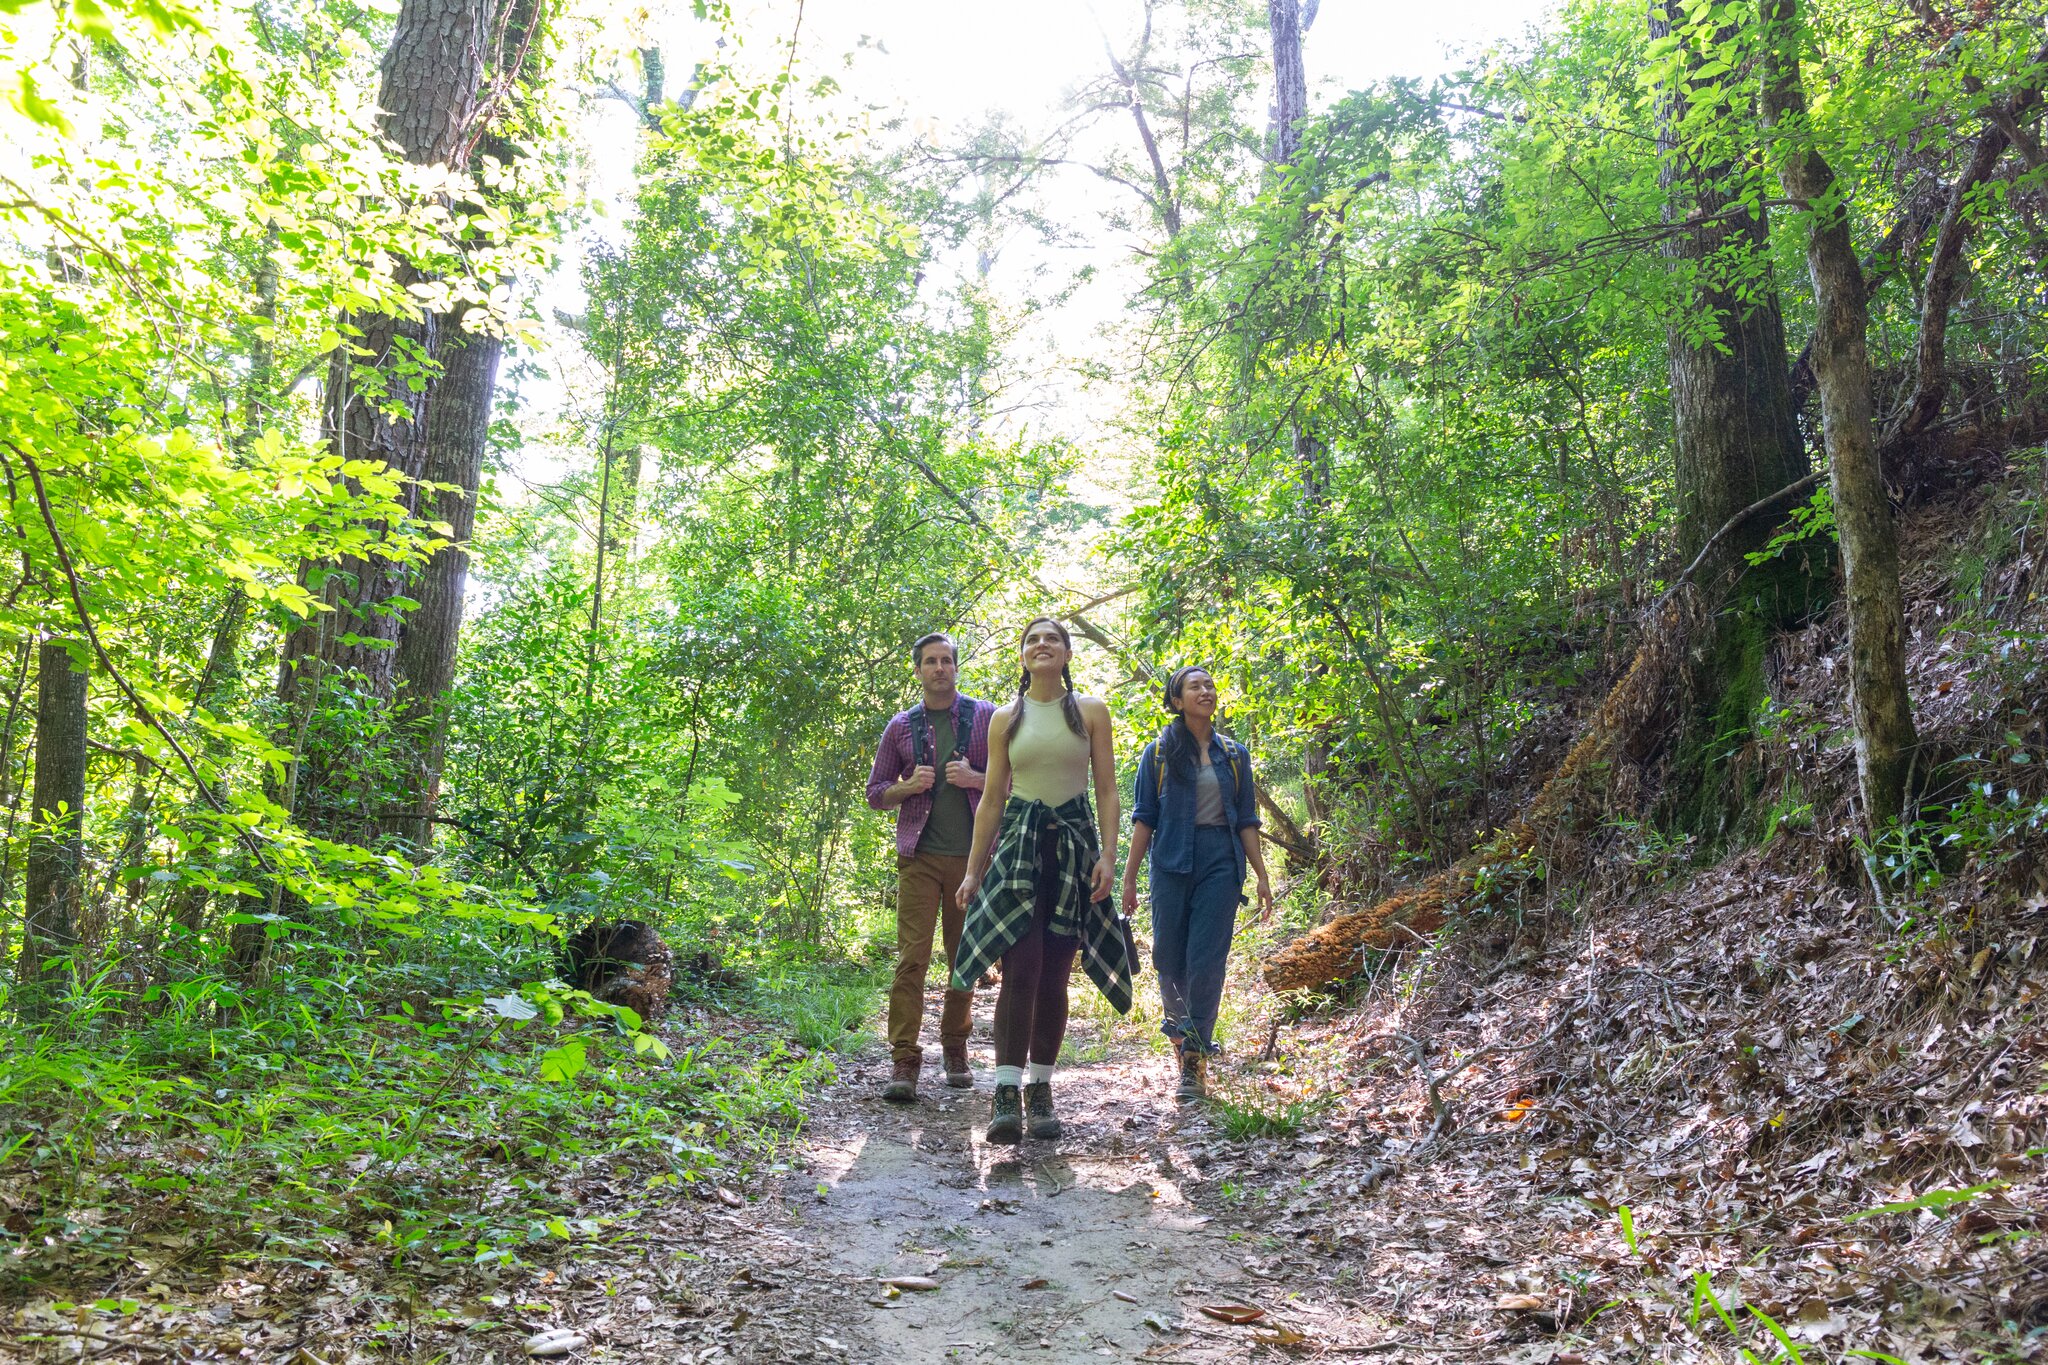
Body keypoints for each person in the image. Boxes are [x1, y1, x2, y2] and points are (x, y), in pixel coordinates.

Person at [952, 618, 1132, 1144]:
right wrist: (971, 869)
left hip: (1074, 852)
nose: (1042, 645)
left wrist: (1108, 856)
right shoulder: (1007, 718)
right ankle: (1005, 1093)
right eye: (1032, 639)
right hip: (1019, 852)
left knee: (1056, 970)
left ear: (1068, 652)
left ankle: (1042, 1090)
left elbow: (1106, 791)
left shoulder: (1092, 713)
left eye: (1052, 638)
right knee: (1019, 967)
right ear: (1023, 655)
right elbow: (991, 799)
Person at [1121, 665, 1272, 1100]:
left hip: (1220, 863)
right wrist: (1129, 879)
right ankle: (1181, 1030)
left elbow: (1246, 819)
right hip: (1169, 862)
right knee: (1170, 957)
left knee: (1207, 959)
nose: (1205, 691)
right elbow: (1144, 818)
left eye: (1209, 685)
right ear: (1176, 700)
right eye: (1194, 686)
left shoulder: (1235, 755)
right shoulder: (1158, 755)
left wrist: (1261, 875)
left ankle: (1194, 1055)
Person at [865, 632, 995, 1102]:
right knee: (911, 959)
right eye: (930, 662)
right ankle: (904, 1059)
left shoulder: (987, 717)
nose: (939, 668)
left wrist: (975, 778)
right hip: (917, 857)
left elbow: (1014, 779)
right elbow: (875, 793)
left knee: (965, 960)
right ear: (917, 671)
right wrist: (906, 787)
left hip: (972, 861)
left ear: (957, 668)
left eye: (947, 661)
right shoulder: (901, 726)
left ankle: (956, 1048)